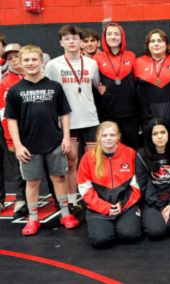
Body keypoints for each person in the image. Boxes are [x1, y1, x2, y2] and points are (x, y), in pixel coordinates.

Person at [5, 45, 79, 235]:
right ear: (21, 64)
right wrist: (18, 145)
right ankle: (33, 218)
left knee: (58, 178)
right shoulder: (15, 91)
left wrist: (65, 138)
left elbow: (64, 114)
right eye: (26, 60)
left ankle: (65, 214)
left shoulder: (54, 87)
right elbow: (11, 120)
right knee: (32, 182)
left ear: (42, 61)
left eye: (34, 60)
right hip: (29, 146)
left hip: (54, 142)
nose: (30, 63)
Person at [44, 25, 100, 210]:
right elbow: (47, 89)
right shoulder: (53, 65)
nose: (72, 42)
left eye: (75, 38)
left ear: (80, 42)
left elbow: (96, 85)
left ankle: (94, 197)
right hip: (68, 121)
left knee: (93, 160)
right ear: (61, 43)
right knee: (71, 161)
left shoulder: (91, 63)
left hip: (90, 118)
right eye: (67, 39)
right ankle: (72, 201)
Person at [77, 121, 141, 247]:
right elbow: (85, 189)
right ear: (98, 137)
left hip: (125, 206)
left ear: (118, 137)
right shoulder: (88, 158)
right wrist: (105, 208)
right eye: (104, 135)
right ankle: (107, 226)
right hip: (98, 209)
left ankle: (125, 224)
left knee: (129, 235)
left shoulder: (130, 154)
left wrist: (122, 205)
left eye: (112, 135)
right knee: (101, 240)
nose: (108, 138)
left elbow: (137, 186)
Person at [136, 118, 170, 239]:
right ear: (149, 137)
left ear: (168, 133)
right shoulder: (141, 155)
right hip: (153, 200)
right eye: (155, 133)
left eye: (163, 132)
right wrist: (160, 206)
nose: (159, 137)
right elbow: (145, 186)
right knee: (156, 232)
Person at [94, 23, 140, 149]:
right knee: (110, 149)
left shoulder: (131, 56)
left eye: (116, 34)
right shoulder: (97, 59)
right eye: (109, 34)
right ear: (104, 38)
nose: (113, 37)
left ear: (122, 37)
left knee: (131, 148)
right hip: (108, 113)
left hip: (130, 113)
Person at [134, 29, 170, 145]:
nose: (156, 44)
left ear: (166, 44)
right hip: (148, 119)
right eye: (152, 41)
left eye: (160, 41)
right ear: (148, 45)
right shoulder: (138, 63)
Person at [0, 43, 26, 217]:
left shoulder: (37, 76)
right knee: (17, 166)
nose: (14, 60)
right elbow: (4, 114)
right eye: (10, 58)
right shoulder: (5, 82)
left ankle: (58, 199)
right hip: (13, 130)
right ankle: (20, 199)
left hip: (34, 129)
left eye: (16, 56)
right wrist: (10, 139)